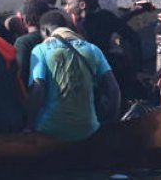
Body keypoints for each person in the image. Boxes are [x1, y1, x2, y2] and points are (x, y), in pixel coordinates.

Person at [26, 10, 120, 141]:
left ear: (45, 31)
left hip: (50, 129)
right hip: (88, 128)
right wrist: (110, 123)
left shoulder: (40, 50)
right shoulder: (92, 49)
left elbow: (38, 89)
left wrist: (29, 126)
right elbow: (114, 91)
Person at [64, 0, 144, 103]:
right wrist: (136, 67)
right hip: (112, 68)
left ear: (82, 5)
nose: (66, 8)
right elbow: (133, 37)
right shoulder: (106, 17)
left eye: (69, 4)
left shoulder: (77, 26)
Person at [15, 0, 52, 86]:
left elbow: (19, 74)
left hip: (31, 94)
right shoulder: (53, 39)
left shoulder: (23, 42)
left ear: (25, 19)